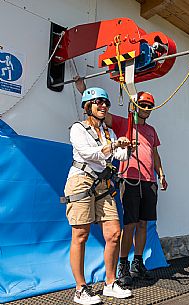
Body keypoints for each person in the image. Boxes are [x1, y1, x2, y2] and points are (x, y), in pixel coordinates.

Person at [75, 78, 168, 286]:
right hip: (129, 178)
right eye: (142, 104)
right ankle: (123, 264)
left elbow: (155, 154)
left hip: (149, 180)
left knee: (144, 223)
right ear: (135, 105)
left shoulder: (152, 131)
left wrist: (161, 174)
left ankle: (137, 263)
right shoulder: (123, 122)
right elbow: (99, 112)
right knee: (130, 223)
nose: (146, 108)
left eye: (149, 106)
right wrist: (83, 90)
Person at [63, 87, 132, 304]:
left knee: (113, 234)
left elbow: (118, 155)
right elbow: (88, 153)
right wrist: (112, 145)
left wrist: (124, 146)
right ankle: (80, 289)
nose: (103, 106)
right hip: (81, 181)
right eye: (98, 102)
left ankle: (110, 284)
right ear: (87, 106)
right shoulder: (78, 128)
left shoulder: (108, 132)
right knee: (80, 235)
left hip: (103, 183)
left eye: (106, 103)